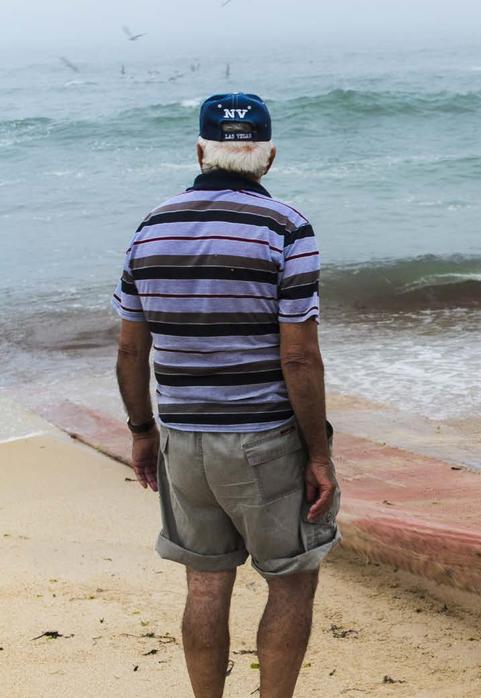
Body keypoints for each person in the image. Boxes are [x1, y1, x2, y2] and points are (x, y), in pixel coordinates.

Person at [112, 93, 339, 698]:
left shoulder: (151, 228)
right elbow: (299, 355)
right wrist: (318, 455)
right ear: (268, 158)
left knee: (205, 584)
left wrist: (141, 430)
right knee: (290, 582)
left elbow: (133, 352)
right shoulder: (287, 227)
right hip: (264, 439)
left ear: (199, 151)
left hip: (184, 439)